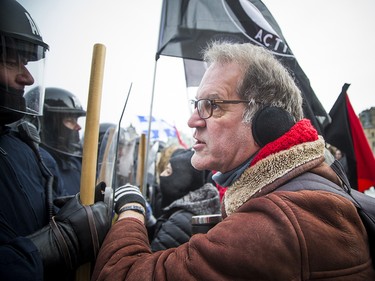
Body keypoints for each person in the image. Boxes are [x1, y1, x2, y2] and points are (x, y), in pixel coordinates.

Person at [92, 41, 374, 280]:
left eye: (212, 105)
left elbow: (123, 274)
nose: (193, 121)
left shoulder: (279, 220)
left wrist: (130, 210)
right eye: (196, 105)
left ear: (269, 122)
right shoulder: (293, 195)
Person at [0, 1, 110, 280]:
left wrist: (75, 214)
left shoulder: (31, 153)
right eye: (11, 60)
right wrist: (64, 240)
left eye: (26, 62)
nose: (27, 77)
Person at [149, 148, 220, 252]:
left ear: (181, 181)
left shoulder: (179, 221)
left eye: (168, 172)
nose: (162, 174)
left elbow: (149, 261)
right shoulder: (186, 212)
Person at [40, 87, 86, 195]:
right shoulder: (40, 166)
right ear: (48, 124)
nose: (78, 127)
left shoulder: (75, 164)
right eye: (69, 120)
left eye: (76, 120)